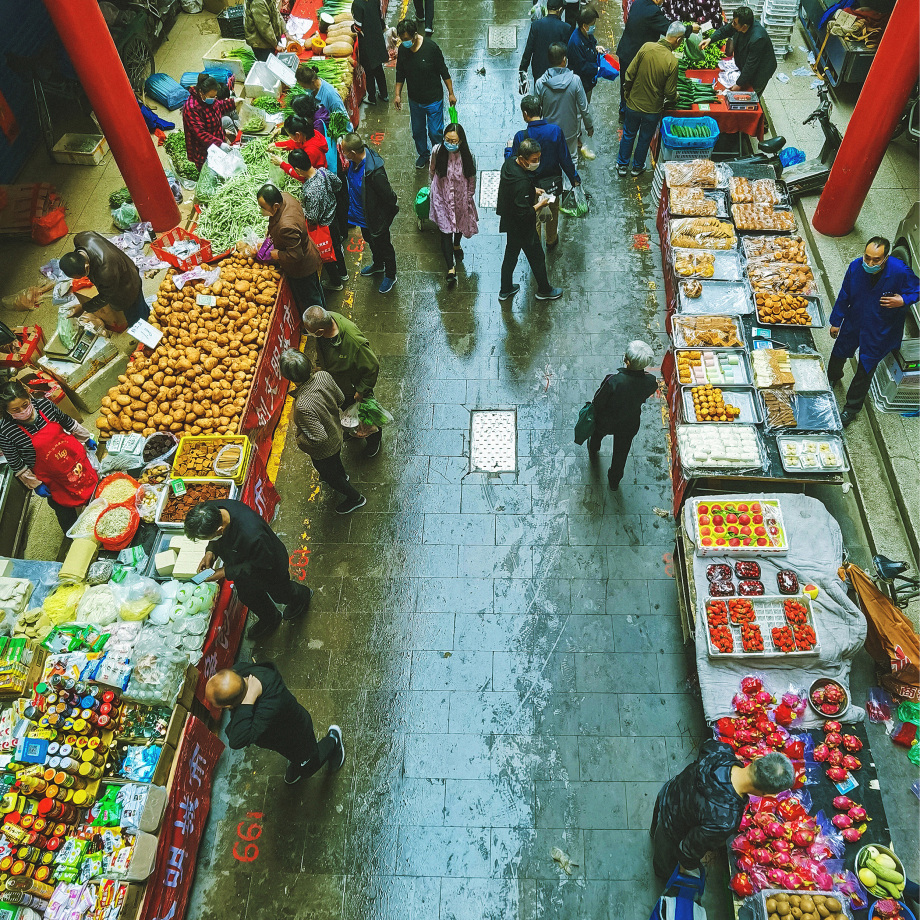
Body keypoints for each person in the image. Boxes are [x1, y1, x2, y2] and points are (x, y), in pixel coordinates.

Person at [651, 744, 794, 878]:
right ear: (767, 795)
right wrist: (688, 866)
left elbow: (706, 745)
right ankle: (662, 873)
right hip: (672, 828)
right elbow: (690, 847)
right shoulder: (725, 819)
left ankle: (653, 833)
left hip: (669, 791)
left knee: (658, 823)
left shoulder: (721, 750)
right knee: (664, 858)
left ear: (757, 758)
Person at [185, 499, 314, 641]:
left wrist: (224, 572)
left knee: (281, 594)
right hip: (240, 566)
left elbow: (262, 563)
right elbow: (217, 540)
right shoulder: (211, 510)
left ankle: (301, 596)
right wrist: (210, 552)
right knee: (248, 595)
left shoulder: (252, 534)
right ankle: (271, 618)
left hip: (269, 567)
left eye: (208, 538)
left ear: (219, 530)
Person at [828, 236, 920, 426]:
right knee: (839, 352)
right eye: (867, 257)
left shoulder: (899, 271)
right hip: (855, 320)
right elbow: (844, 294)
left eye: (876, 259)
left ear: (885, 257)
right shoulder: (855, 267)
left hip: (880, 328)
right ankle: (832, 378)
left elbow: (917, 289)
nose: (870, 263)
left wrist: (903, 300)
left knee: (866, 368)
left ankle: (851, 409)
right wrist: (836, 321)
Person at [206, 664, 344, 786]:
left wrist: (249, 699)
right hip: (279, 738)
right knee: (295, 755)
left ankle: (333, 740)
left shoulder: (271, 705)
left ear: (229, 705)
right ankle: (299, 762)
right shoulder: (242, 675)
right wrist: (250, 696)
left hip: (297, 735)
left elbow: (237, 740)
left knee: (308, 767)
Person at [0, 380, 97, 534]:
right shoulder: (5, 431)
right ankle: (74, 534)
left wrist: (85, 437)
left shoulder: (45, 405)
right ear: (7, 411)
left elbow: (67, 422)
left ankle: (97, 512)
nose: (23, 411)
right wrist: (35, 484)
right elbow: (17, 464)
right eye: (15, 409)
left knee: (89, 486)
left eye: (25, 405)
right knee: (64, 509)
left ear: (29, 397)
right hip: (50, 477)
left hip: (71, 460)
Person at [279, 349, 367, 514]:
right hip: (337, 432)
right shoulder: (323, 376)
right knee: (335, 463)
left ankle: (355, 498)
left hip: (324, 450)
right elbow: (340, 399)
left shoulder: (302, 406)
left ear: (290, 378)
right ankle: (342, 475)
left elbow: (318, 438)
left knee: (331, 475)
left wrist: (298, 438)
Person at [301, 306, 382, 457]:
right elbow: (321, 350)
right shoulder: (325, 326)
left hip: (354, 389)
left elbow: (372, 366)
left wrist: (362, 390)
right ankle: (354, 430)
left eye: (310, 332)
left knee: (367, 416)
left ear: (319, 331)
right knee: (348, 411)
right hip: (340, 386)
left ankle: (374, 440)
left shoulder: (353, 342)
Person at [506, 94, 581, 249]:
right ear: (540, 110)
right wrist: (574, 177)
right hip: (552, 184)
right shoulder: (555, 131)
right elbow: (565, 158)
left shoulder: (521, 137)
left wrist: (508, 149)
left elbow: (513, 162)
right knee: (552, 213)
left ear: (525, 114)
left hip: (531, 187)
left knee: (534, 217)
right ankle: (551, 240)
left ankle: (536, 245)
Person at [496, 137, 563, 304]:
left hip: (510, 222)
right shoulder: (521, 183)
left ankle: (505, 289)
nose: (537, 162)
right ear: (522, 159)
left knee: (510, 254)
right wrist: (541, 204)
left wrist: (532, 190)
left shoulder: (510, 164)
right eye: (534, 160)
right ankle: (544, 290)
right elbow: (524, 213)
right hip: (523, 227)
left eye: (539, 158)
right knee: (537, 257)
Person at [617, 22, 684, 178]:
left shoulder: (646, 47)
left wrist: (628, 94)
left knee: (628, 134)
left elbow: (629, 73)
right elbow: (669, 92)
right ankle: (637, 167)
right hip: (652, 110)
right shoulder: (672, 62)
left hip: (633, 104)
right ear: (678, 40)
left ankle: (622, 165)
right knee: (644, 138)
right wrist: (677, 96)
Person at [588, 340, 658, 490]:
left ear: (627, 361)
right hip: (629, 423)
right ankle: (614, 481)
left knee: (597, 434)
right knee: (621, 453)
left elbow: (598, 401)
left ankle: (593, 448)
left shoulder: (613, 380)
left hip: (606, 421)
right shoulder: (651, 381)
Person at [277, 149, 350, 291]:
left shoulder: (310, 190)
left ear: (297, 169)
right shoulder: (323, 171)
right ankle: (343, 273)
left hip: (324, 227)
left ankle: (336, 283)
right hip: (333, 217)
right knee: (337, 248)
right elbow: (338, 184)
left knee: (327, 254)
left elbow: (312, 217)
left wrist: (300, 208)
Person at [339, 133, 399, 295]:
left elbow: (390, 197)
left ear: (352, 153)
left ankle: (390, 275)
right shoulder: (353, 162)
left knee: (384, 245)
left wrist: (383, 219)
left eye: (344, 151)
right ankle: (378, 265)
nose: (342, 153)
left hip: (375, 219)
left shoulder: (374, 172)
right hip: (361, 216)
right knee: (370, 240)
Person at [394, 19, 456, 169]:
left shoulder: (431, 48)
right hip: (415, 100)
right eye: (402, 40)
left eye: (407, 39)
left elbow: (443, 71)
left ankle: (438, 155)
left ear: (415, 35)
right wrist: (397, 94)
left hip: (433, 99)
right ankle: (424, 154)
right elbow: (400, 73)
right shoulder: (403, 49)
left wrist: (451, 93)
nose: (405, 43)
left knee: (435, 132)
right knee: (417, 131)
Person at [617, 0, 696, 118]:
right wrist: (689, 28)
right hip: (634, 54)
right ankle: (630, 113)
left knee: (626, 83)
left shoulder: (639, 2)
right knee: (632, 85)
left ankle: (625, 110)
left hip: (626, 49)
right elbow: (669, 30)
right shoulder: (653, 11)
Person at [255, 184, 326, 313]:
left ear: (275, 206)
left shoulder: (286, 226)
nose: (261, 210)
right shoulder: (285, 197)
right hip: (308, 250)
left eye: (263, 208)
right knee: (316, 288)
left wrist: (278, 254)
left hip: (302, 267)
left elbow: (296, 254)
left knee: (310, 297)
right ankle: (323, 313)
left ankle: (320, 324)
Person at [59, 231, 149, 330]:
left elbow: (105, 297)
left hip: (129, 286)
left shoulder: (105, 271)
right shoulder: (81, 238)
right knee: (140, 306)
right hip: (123, 267)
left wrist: (83, 307)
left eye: (83, 275)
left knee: (136, 315)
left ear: (86, 266)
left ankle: (145, 329)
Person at [429, 123, 478, 286]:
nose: (450, 143)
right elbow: (432, 170)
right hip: (441, 197)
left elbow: (472, 177)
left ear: (461, 141)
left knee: (459, 226)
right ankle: (450, 268)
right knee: (445, 231)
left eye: (454, 141)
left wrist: (469, 196)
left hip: (461, 198)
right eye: (447, 139)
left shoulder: (468, 156)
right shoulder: (437, 151)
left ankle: (456, 245)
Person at [535, 42, 594, 160]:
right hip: (570, 131)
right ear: (564, 59)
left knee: (552, 158)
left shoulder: (540, 83)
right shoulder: (575, 81)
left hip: (549, 131)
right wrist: (589, 126)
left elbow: (537, 110)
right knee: (572, 159)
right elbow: (584, 108)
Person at [701, 5, 777, 95]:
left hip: (761, 70)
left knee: (751, 93)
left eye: (735, 23)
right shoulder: (739, 25)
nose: (732, 24)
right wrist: (710, 39)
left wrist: (739, 84)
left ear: (744, 27)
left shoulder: (758, 39)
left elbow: (751, 64)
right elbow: (725, 31)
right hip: (748, 64)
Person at [181, 73, 239, 170]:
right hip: (203, 151)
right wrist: (219, 144)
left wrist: (233, 102)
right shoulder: (191, 108)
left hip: (215, 139)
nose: (213, 99)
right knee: (210, 172)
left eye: (215, 96)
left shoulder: (209, 100)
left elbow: (219, 106)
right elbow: (200, 134)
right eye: (211, 97)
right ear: (201, 92)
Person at [520, 0, 574, 84]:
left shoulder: (536, 25)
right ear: (560, 10)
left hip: (539, 69)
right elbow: (569, 53)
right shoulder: (566, 28)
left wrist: (523, 69)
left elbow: (529, 49)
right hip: (558, 71)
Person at [352, 0, 389, 104]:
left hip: (367, 42)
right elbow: (379, 17)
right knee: (378, 68)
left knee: (369, 71)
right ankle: (384, 94)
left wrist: (352, 28)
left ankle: (371, 98)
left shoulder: (357, 4)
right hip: (377, 38)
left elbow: (358, 27)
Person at [566, 6, 605, 104]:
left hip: (588, 83)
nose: (594, 27)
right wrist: (598, 68)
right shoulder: (575, 43)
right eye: (592, 24)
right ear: (584, 26)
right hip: (581, 85)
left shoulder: (587, 34)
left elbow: (591, 45)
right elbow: (582, 67)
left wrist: (595, 49)